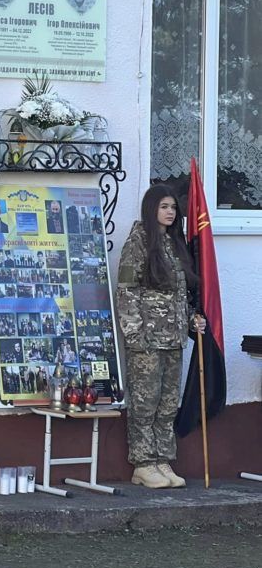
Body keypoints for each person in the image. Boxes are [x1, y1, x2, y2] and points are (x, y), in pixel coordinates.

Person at [116, 183, 204, 490]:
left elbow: (181, 291)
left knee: (168, 404)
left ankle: (162, 460)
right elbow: (127, 291)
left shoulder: (174, 243)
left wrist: (193, 318)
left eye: (173, 208)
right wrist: (134, 333)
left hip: (173, 338)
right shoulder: (139, 241)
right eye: (164, 207)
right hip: (146, 340)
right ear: (151, 208)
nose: (170, 212)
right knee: (145, 402)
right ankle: (143, 463)